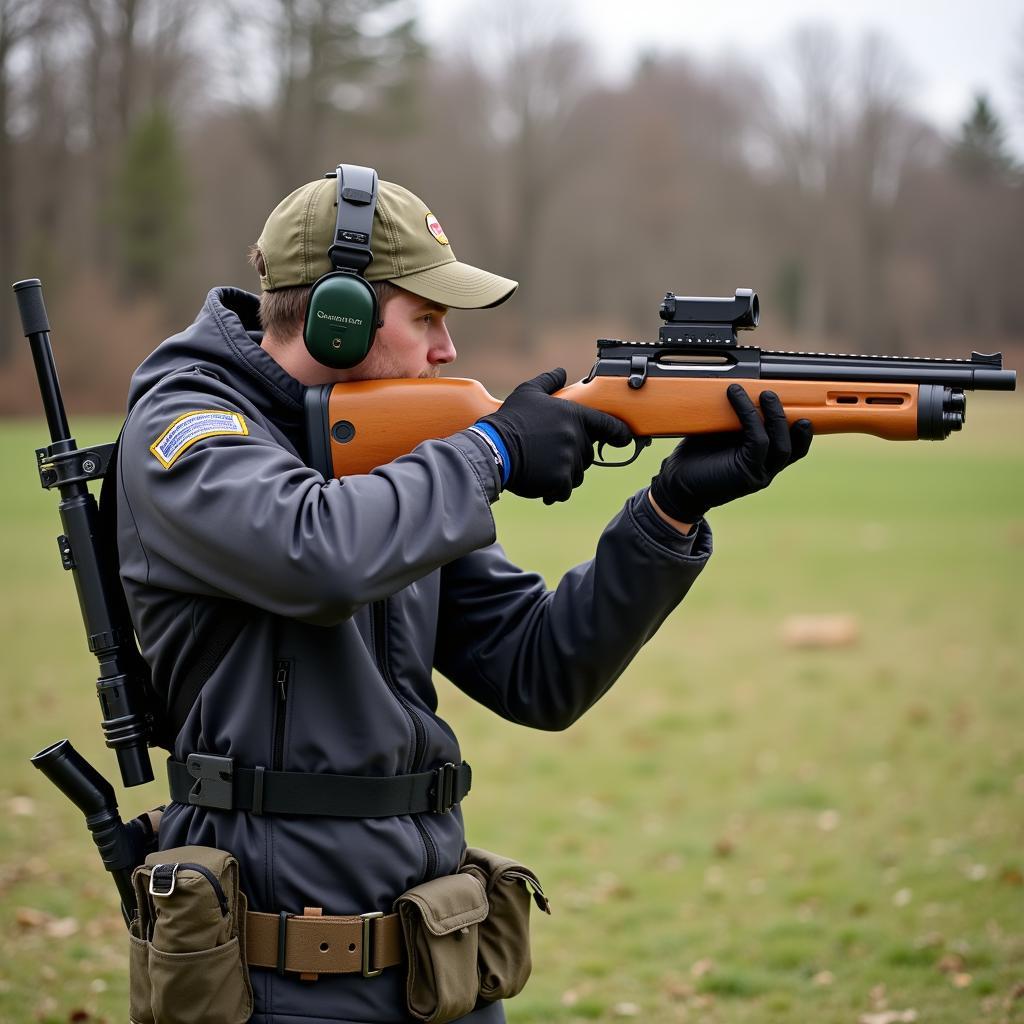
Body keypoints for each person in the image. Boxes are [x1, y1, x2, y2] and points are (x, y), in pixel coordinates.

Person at [116, 165, 812, 1024]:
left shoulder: (388, 465)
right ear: (341, 320)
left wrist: (670, 510)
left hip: (436, 960)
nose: (448, 351)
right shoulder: (187, 426)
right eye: (428, 319)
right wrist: (491, 453)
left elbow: (540, 671)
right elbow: (316, 552)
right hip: (271, 977)